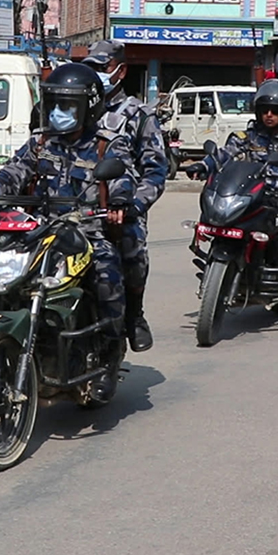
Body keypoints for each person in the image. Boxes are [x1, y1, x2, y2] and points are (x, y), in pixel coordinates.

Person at [0, 64, 136, 374]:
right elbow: (13, 173)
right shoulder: (41, 143)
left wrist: (120, 200)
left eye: (66, 106)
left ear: (88, 108)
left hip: (87, 233)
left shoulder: (106, 144)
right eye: (53, 104)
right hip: (38, 231)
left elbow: (123, 175)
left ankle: (109, 354)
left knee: (108, 277)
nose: (57, 113)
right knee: (7, 282)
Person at [186, 80, 278, 332]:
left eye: (275, 111)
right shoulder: (248, 135)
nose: (269, 115)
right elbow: (223, 154)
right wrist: (202, 166)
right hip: (253, 195)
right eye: (264, 110)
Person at [83, 39, 166, 352]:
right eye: (91, 68)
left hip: (118, 209)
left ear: (121, 70)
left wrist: (134, 204)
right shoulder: (74, 107)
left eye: (103, 68)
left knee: (131, 247)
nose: (97, 75)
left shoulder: (139, 115)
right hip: (73, 205)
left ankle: (134, 314)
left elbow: (155, 172)